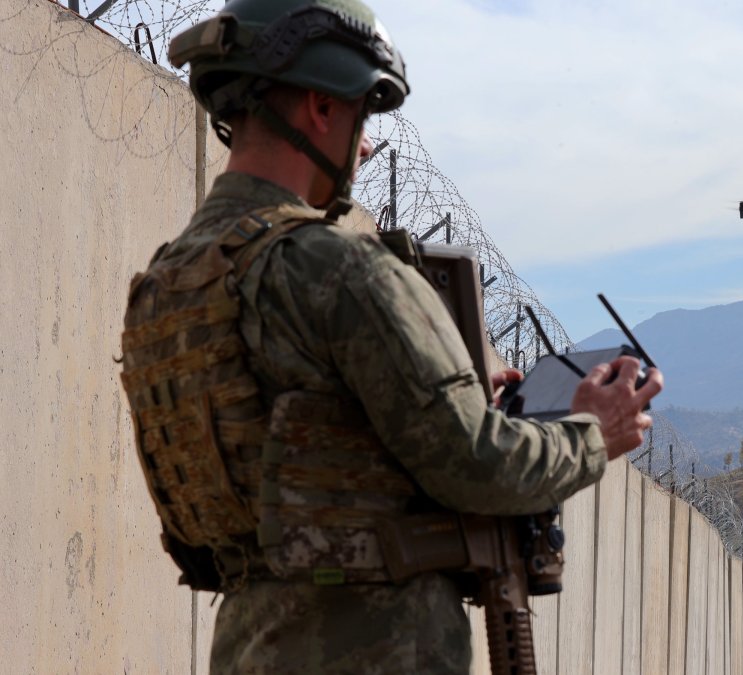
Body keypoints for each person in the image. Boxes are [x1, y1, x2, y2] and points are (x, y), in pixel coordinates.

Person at [119, 0, 663, 672]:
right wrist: (593, 431)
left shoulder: (165, 285)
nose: (367, 144)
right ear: (320, 106)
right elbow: (476, 464)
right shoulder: (339, 268)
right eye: (362, 114)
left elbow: (289, 467)